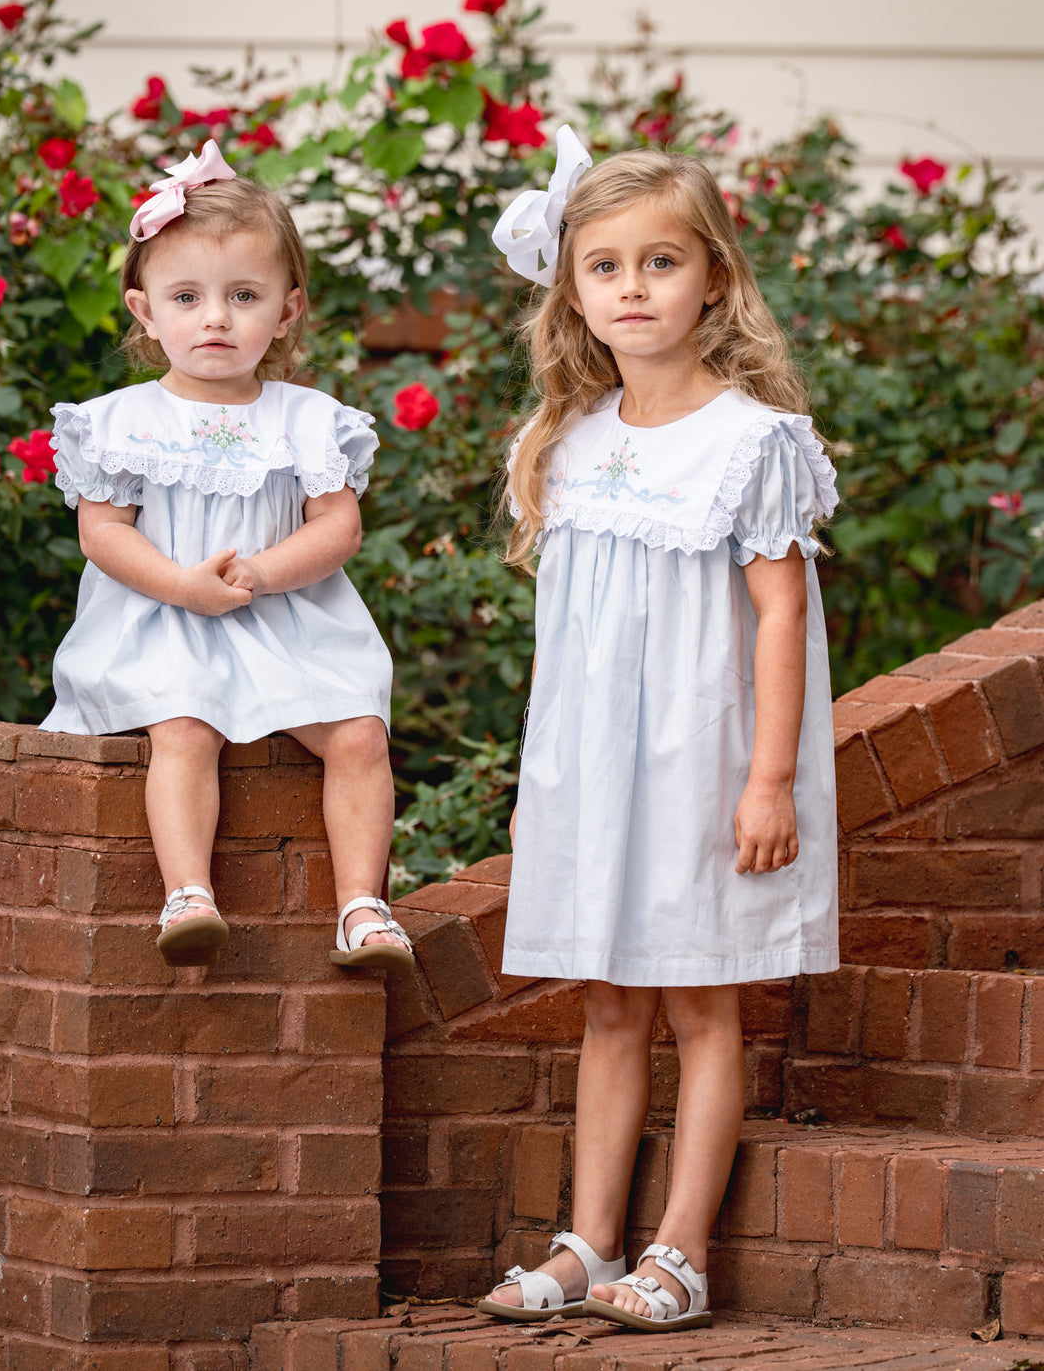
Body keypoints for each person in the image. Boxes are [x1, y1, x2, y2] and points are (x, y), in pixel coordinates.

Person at [478, 131, 838, 1333]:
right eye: (605, 267)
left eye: (661, 262)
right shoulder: (567, 441)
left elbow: (780, 614)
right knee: (608, 1001)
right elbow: (565, 635)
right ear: (573, 292)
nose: (632, 289)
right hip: (594, 769)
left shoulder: (751, 442)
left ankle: (679, 1251)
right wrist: (541, 781)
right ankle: (588, 1243)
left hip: (704, 762)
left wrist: (770, 780)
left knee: (700, 1002)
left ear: (714, 277)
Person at [40, 142, 413, 973]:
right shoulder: (121, 421)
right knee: (185, 721)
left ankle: (362, 906)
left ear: (286, 311)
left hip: (283, 619)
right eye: (188, 297)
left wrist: (264, 571)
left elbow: (338, 527)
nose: (215, 318)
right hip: (162, 618)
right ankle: (189, 894)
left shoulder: (308, 419)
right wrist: (183, 585)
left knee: (359, 733)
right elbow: (104, 532)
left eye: (243, 295)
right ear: (145, 311)